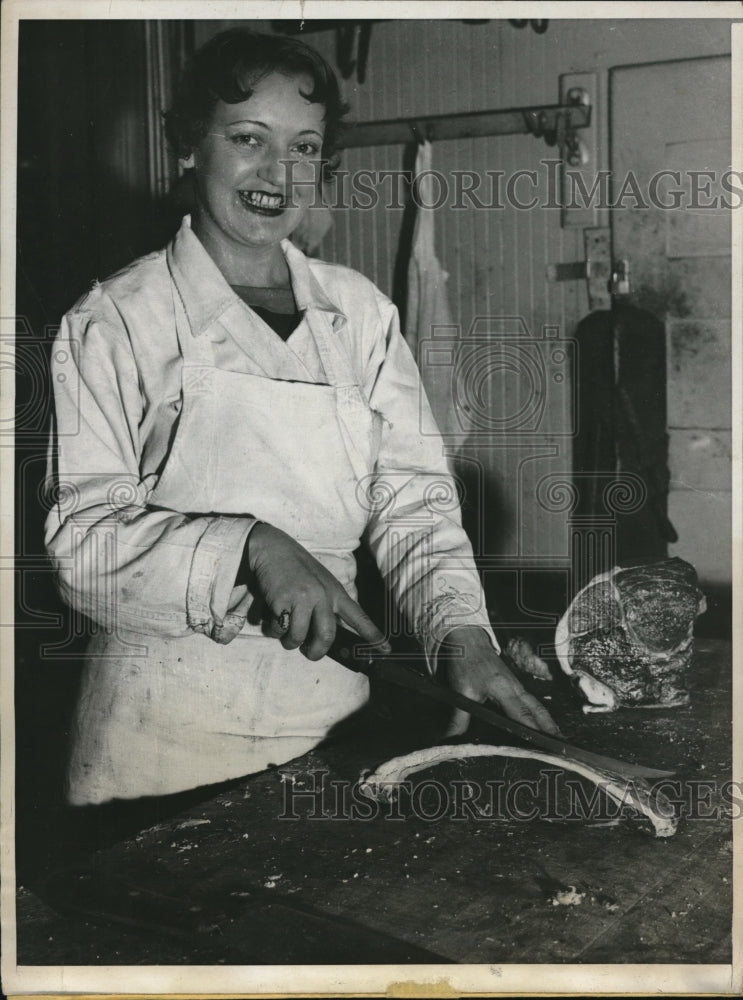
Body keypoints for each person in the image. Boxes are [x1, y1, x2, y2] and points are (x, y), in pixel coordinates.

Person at [45, 29, 558, 807]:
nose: (276, 173)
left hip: (334, 731)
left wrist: (462, 634)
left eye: (304, 147)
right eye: (247, 138)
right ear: (187, 146)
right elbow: (81, 548)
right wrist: (249, 547)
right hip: (160, 752)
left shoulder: (357, 313)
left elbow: (414, 501)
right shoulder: (116, 319)